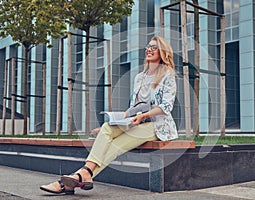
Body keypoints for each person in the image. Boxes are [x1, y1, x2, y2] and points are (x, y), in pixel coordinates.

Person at [40, 35, 178, 194]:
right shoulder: (139, 77)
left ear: (163, 52)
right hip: (138, 121)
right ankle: (82, 176)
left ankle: (69, 181)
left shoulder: (168, 74)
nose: (149, 49)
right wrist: (116, 121)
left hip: (158, 126)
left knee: (115, 145)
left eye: (154, 47)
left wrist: (144, 116)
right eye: (148, 46)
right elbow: (133, 108)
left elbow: (166, 106)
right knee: (106, 128)